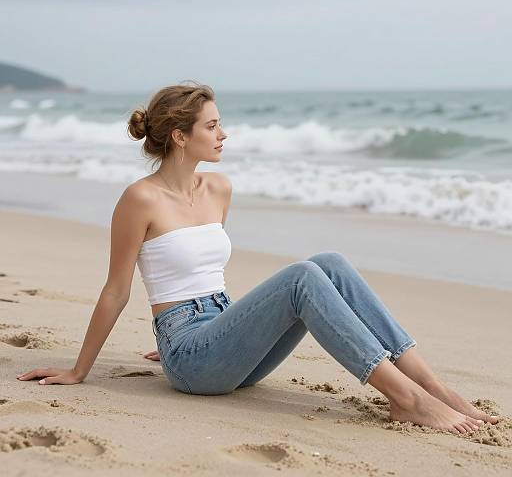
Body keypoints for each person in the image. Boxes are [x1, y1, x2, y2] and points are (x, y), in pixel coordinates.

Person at [16, 81, 499, 435]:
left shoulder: (219, 188)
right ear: (180, 137)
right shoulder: (139, 200)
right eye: (212, 125)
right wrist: (79, 370)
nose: (223, 133)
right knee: (302, 277)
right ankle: (406, 399)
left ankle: (434, 388)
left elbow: (203, 274)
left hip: (223, 338)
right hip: (191, 359)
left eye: (220, 123)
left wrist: (221, 332)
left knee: (329, 262)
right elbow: (117, 289)